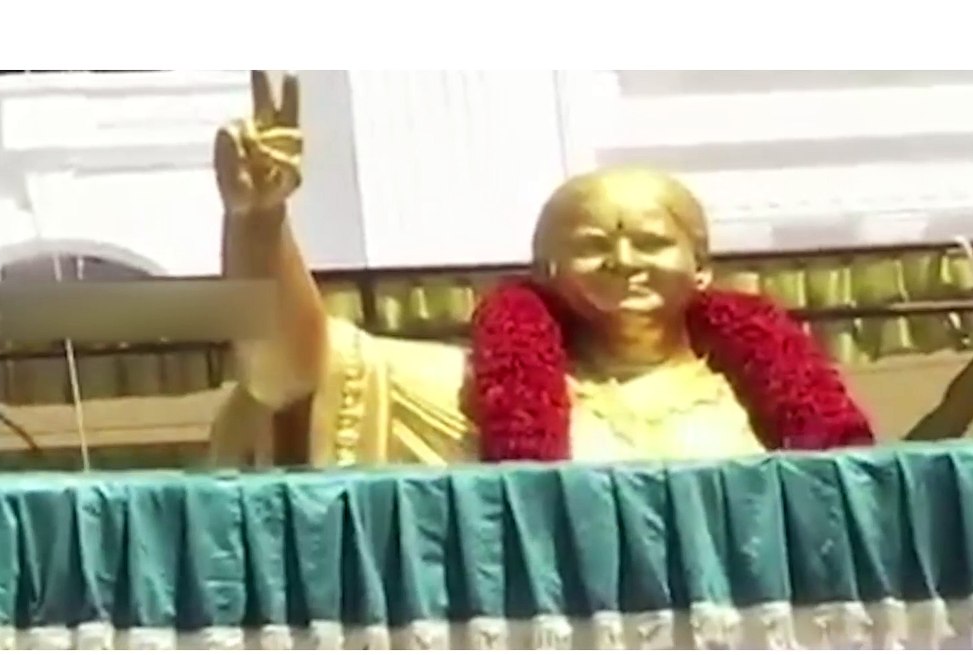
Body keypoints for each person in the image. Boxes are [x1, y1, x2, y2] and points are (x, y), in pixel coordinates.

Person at [210, 71, 874, 468]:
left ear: (701, 268)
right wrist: (259, 222)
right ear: (547, 272)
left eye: (651, 242)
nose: (623, 262)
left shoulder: (767, 396)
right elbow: (285, 373)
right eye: (591, 245)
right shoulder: (468, 396)